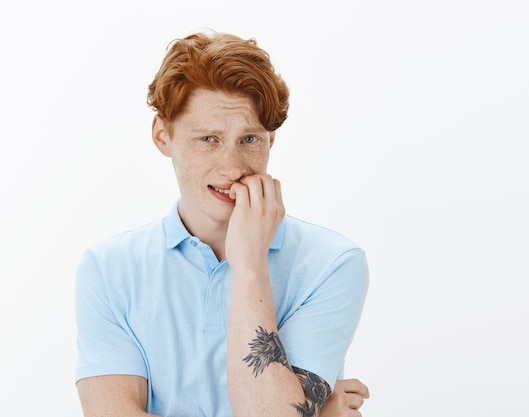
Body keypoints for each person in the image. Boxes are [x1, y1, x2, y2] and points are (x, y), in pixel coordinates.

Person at [74, 30, 369, 417]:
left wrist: (249, 266)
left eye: (249, 139)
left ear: (271, 139)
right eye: (209, 139)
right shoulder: (109, 269)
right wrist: (316, 409)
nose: (231, 168)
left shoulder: (332, 263)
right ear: (163, 136)